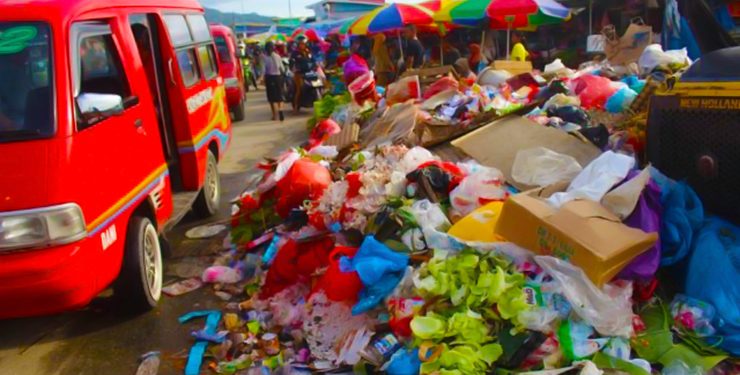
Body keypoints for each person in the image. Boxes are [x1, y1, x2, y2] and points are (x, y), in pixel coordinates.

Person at [261, 42, 286, 122]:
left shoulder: (265, 58)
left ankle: (275, 116)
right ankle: (281, 109)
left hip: (270, 78)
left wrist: (262, 78)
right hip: (278, 77)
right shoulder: (278, 56)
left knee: (272, 98)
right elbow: (282, 68)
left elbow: (264, 70)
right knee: (280, 96)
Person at [290, 38, 313, 113]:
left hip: (309, 73)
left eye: (303, 44)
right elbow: (292, 62)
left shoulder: (308, 52)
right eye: (300, 44)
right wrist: (294, 68)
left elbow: (313, 60)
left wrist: (316, 65)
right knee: (299, 89)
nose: (302, 45)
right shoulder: (295, 53)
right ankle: (296, 106)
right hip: (299, 74)